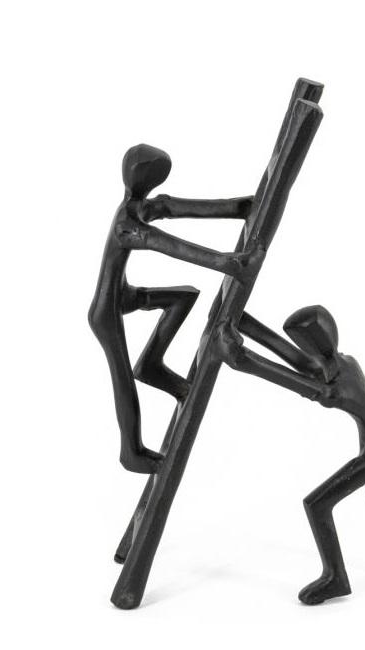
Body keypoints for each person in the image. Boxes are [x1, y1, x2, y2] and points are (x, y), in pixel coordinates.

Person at [214, 306, 365, 604]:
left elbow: (283, 376)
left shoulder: (334, 389)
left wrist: (239, 358)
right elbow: (296, 360)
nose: (300, 348)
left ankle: (335, 577)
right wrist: (245, 323)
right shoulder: (347, 362)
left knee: (317, 505)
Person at [89, 144, 257, 474]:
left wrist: (240, 207)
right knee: (123, 381)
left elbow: (174, 206)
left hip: (124, 295)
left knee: (183, 298)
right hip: (105, 312)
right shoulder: (126, 224)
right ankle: (131, 452)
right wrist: (228, 263)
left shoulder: (142, 206)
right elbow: (166, 244)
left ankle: (152, 366)